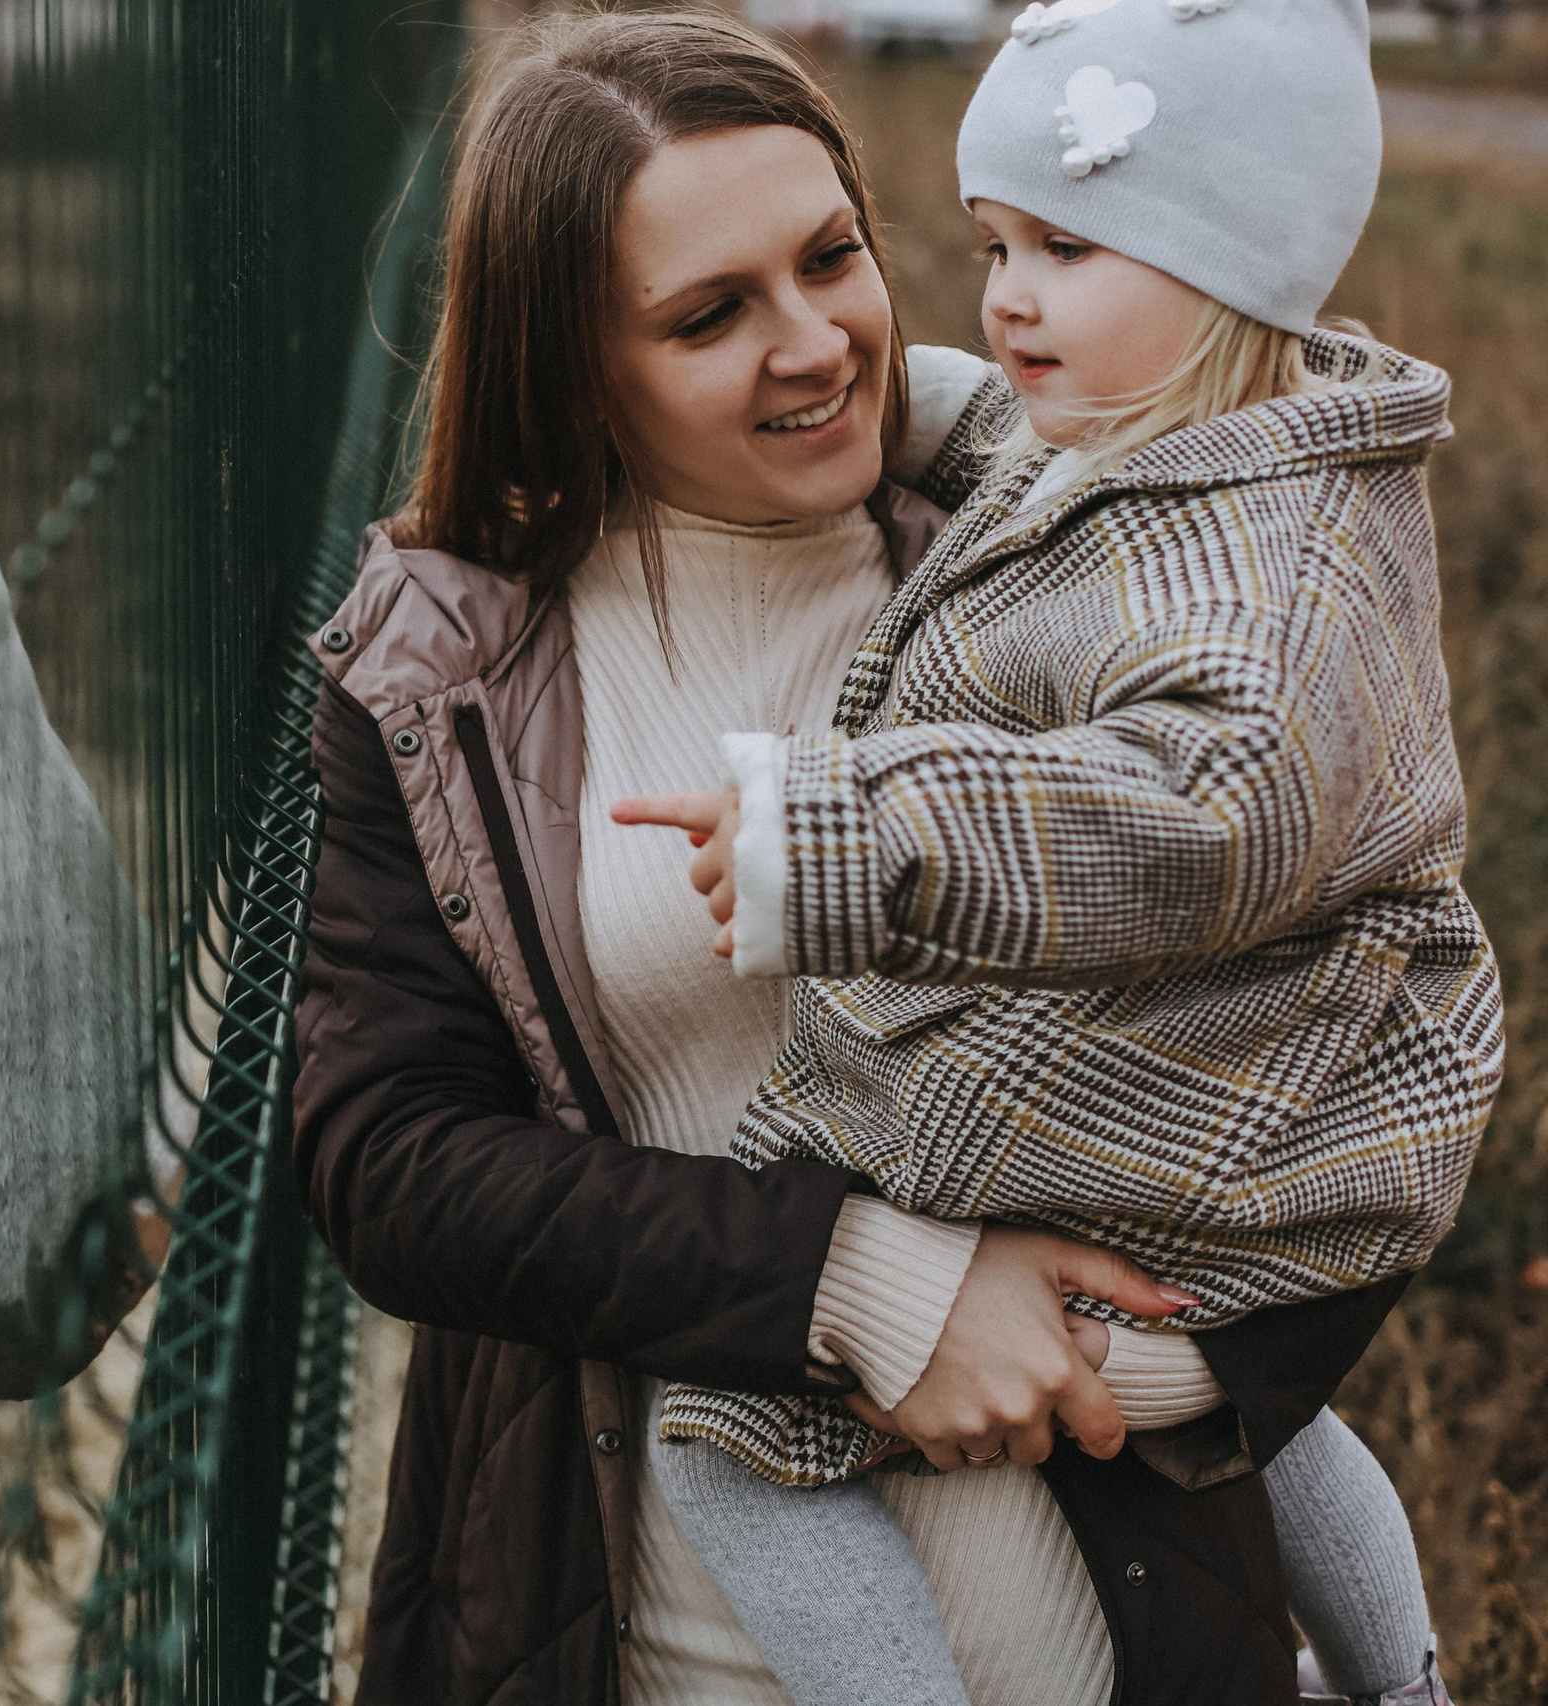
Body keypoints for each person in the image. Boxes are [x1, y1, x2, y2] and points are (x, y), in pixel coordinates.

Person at [292, 7, 1430, 1704]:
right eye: (710, 314)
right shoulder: (437, 672)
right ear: (572, 358)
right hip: (653, 1627)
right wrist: (864, 1282)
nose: (819, 341)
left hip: (1126, 1607)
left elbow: (1335, 1029)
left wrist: (1178, 1359)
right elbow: (392, 1164)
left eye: (833, 256)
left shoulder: (1075, 558)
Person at [610, 5, 1496, 1706]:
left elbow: (1182, 815)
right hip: (1206, 1109)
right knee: (1257, 1403)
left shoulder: (1261, 589)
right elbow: (988, 434)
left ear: (1229, 268)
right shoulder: (1165, 433)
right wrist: (862, 385)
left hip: (1181, 1096)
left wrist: (845, 835)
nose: (1006, 295)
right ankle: (1399, 1682)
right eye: (994, 243)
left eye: (1066, 246)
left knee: (726, 1439)